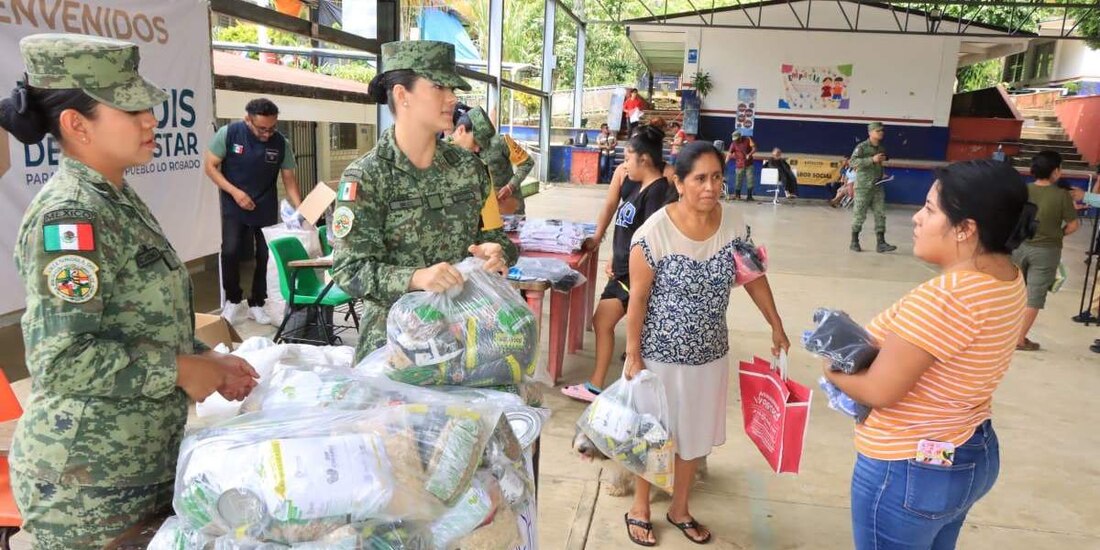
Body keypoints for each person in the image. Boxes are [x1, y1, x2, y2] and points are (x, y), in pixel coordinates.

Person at [0, 34, 259, 547]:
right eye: (130, 109)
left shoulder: (115, 196)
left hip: (137, 465)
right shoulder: (70, 215)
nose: (150, 121)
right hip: (88, 486)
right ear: (76, 125)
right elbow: (63, 359)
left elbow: (138, 324)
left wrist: (208, 357)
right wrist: (186, 369)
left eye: (147, 107)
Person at [826, 160, 1033, 550]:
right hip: (969, 451)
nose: (917, 219)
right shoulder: (1006, 275)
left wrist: (832, 368)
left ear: (966, 229)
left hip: (908, 468)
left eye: (930, 210)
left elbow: (880, 391)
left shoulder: (946, 297)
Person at [622, 141, 790, 545]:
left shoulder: (733, 225)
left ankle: (680, 507)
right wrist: (632, 354)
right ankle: (640, 506)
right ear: (677, 182)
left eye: (717, 177)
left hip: (710, 354)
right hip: (659, 358)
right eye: (700, 178)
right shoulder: (653, 234)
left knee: (694, 435)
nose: (711, 187)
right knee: (655, 434)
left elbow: (753, 276)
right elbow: (638, 300)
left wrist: (776, 324)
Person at [331, 40, 518, 363]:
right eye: (438, 87)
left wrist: (498, 253)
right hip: (392, 345)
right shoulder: (367, 177)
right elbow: (349, 270)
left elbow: (498, 240)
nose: (452, 98)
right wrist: (416, 278)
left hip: (462, 336)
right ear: (402, 95)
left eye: (452, 88)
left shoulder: (469, 169)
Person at [561, 125, 677, 403]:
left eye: (627, 158)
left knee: (603, 321)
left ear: (644, 159)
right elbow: (617, 212)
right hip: (623, 269)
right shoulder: (639, 184)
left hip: (632, 275)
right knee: (603, 322)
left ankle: (600, 385)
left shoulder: (658, 190)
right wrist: (603, 244)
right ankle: (607, 383)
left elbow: (649, 239)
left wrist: (632, 270)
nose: (624, 165)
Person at [204, 98, 302, 326]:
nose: (268, 133)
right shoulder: (229, 134)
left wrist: (301, 210)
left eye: (272, 128)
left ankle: (257, 303)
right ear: (247, 120)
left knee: (265, 256)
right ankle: (233, 300)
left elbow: (289, 179)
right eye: (262, 129)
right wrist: (235, 192)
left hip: (265, 204)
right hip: (234, 203)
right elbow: (210, 166)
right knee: (231, 251)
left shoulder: (280, 143)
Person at [1012, 150, 1079, 351]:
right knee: (1035, 295)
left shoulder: (1023, 190)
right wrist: (1058, 234)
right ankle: (1019, 339)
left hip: (1020, 246)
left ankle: (1006, 333)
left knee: (1015, 290)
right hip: (1047, 250)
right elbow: (1073, 225)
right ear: (1056, 171)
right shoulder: (1061, 196)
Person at [451, 106, 535, 215]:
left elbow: (527, 162)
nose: (477, 148)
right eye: (475, 142)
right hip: (476, 214)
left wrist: (511, 186)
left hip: (508, 208)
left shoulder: (500, 141)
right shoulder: (444, 150)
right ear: (461, 130)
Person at [849, 122, 896, 253]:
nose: (881, 133)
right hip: (864, 186)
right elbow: (852, 162)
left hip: (877, 185)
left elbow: (879, 162)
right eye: (878, 131)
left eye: (882, 131)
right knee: (859, 214)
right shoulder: (862, 147)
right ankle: (854, 241)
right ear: (870, 133)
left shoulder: (881, 147)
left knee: (880, 213)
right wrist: (872, 160)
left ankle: (881, 243)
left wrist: (881, 166)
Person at [725, 130, 757, 201]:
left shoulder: (748, 139)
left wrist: (750, 154)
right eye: (734, 139)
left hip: (749, 164)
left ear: (740, 137)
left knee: (750, 180)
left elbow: (754, 148)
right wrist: (725, 162)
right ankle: (737, 195)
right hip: (739, 165)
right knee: (738, 181)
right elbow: (729, 154)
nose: (735, 141)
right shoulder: (733, 144)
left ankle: (749, 196)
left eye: (736, 139)